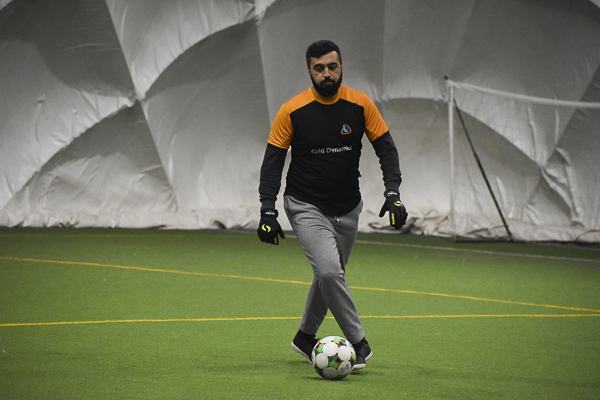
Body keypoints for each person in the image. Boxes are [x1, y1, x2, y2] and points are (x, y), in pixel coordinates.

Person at [256, 40, 407, 371]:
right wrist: (268, 209)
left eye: (332, 67)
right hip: (305, 205)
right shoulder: (291, 110)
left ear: (341, 67)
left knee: (329, 276)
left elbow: (386, 149)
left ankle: (304, 338)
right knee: (328, 271)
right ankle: (358, 341)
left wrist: (393, 192)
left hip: (349, 208)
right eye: (319, 68)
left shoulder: (361, 104)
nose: (327, 73)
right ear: (309, 71)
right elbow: (273, 162)